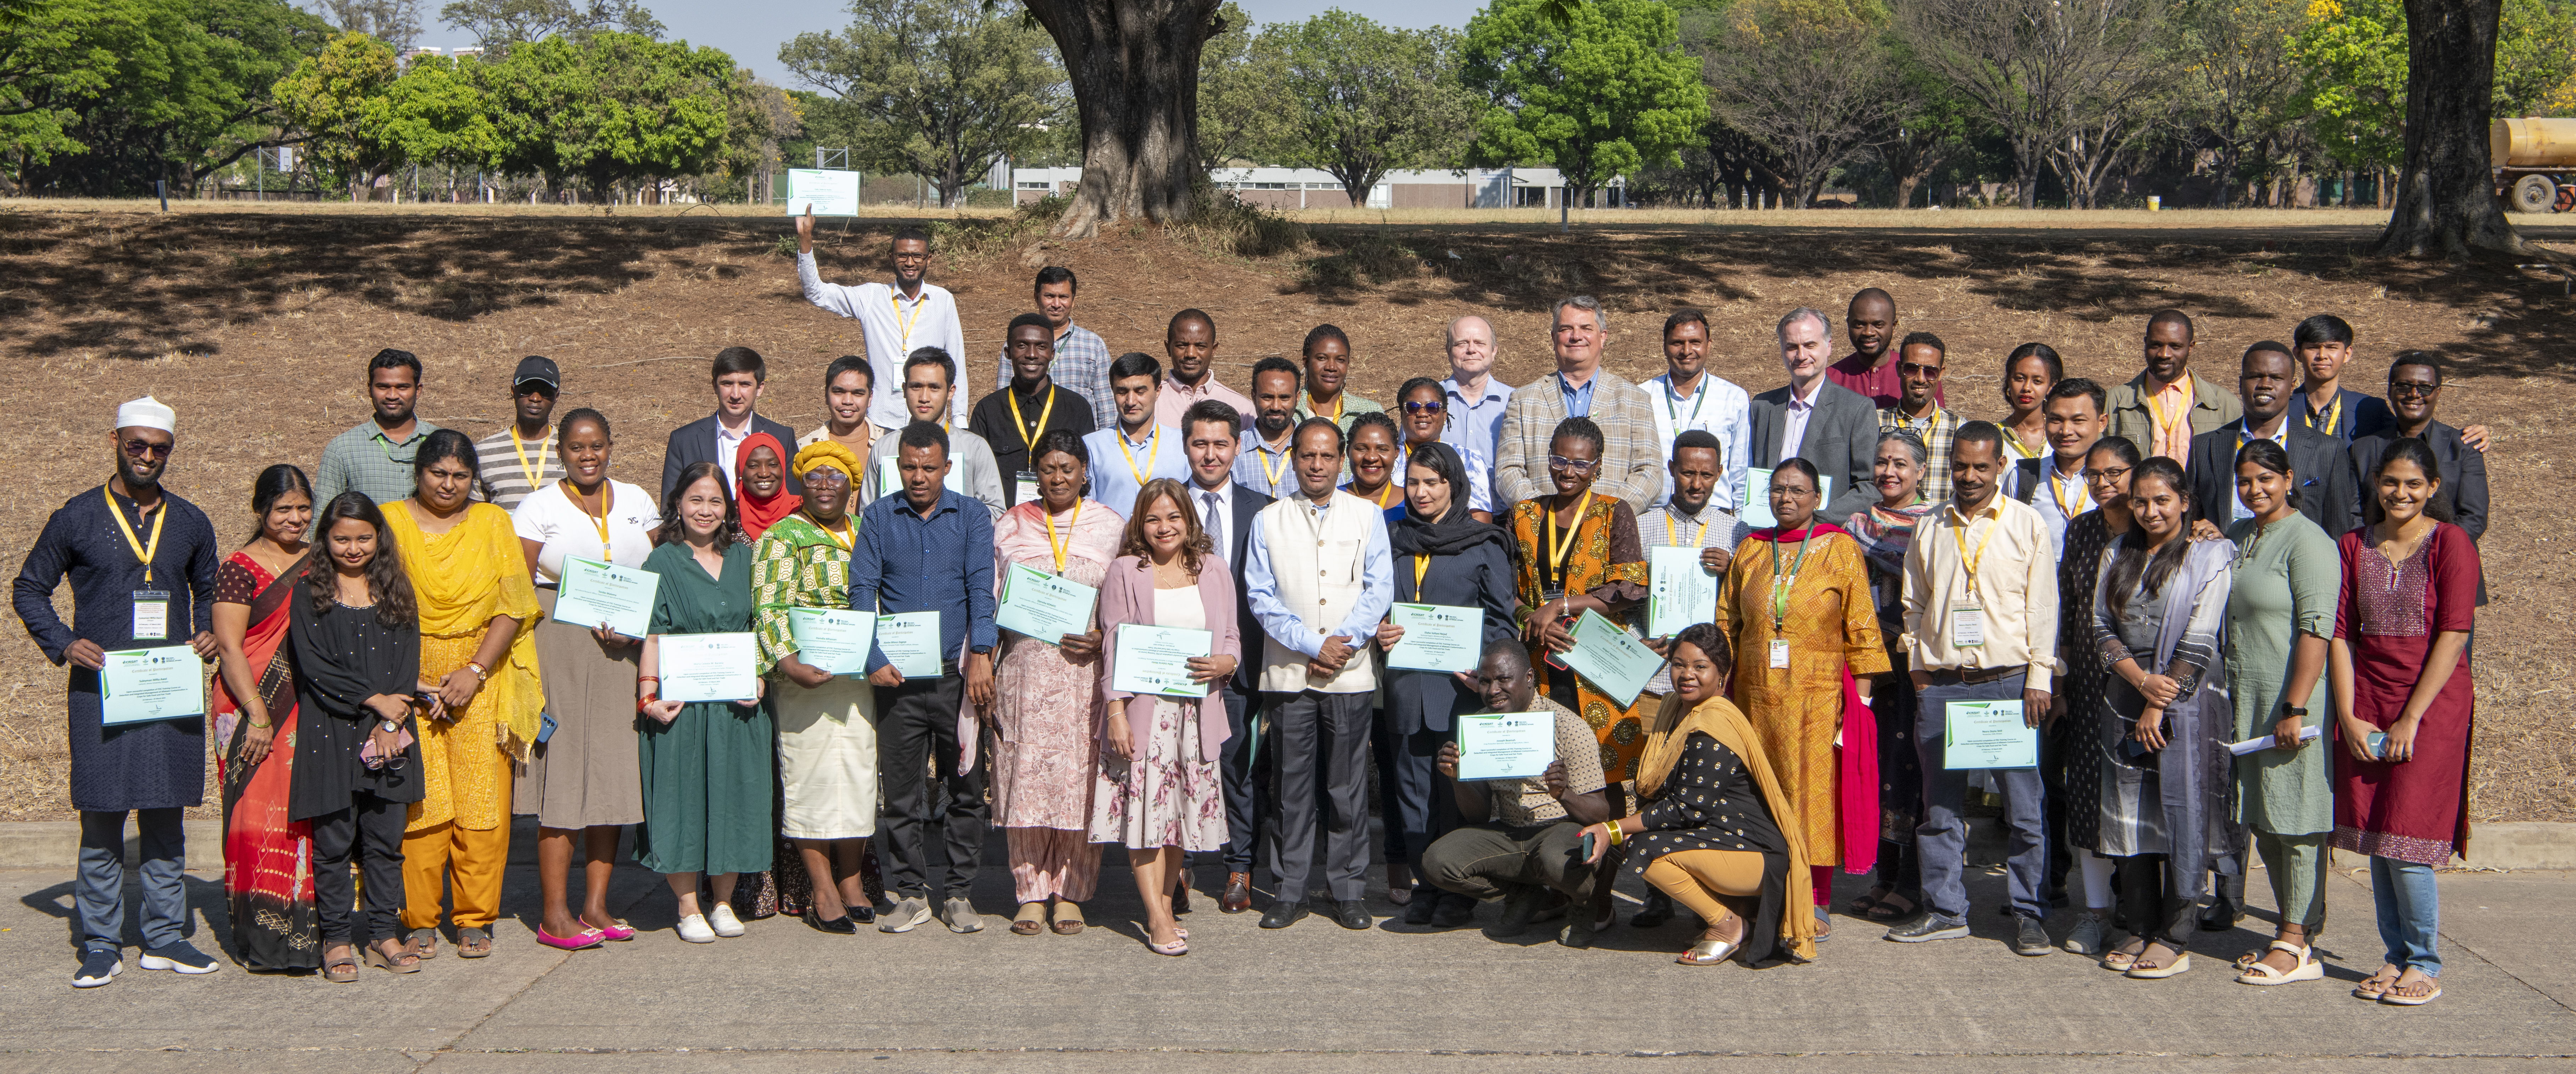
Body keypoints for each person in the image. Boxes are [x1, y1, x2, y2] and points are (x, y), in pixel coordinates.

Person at [15, 396, 223, 988]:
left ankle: (163, 938)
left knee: (165, 816)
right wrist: (63, 642)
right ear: (115, 442)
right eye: (137, 445)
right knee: (103, 817)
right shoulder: (76, 517)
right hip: (101, 689)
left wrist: (206, 629)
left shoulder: (189, 520)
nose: (148, 456)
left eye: (160, 448)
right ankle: (101, 943)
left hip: (169, 689)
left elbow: (208, 586)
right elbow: (30, 588)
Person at [1892, 421, 2057, 953]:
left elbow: (2041, 608)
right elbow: (1913, 603)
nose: (1968, 475)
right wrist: (1919, 670)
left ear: (2000, 467)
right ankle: (1944, 908)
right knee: (1938, 809)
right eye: (1960, 465)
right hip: (1941, 685)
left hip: (2007, 685)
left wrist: (2038, 677)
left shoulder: (2025, 524)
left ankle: (2028, 911)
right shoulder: (1930, 526)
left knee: (2023, 808)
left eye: (1980, 466)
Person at [382, 429, 542, 962]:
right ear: (418, 472)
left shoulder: (492, 522)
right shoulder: (390, 522)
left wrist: (474, 670)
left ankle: (476, 917)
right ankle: (419, 919)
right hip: (412, 683)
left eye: (460, 476)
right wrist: (408, 680)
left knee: (482, 804)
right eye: (438, 473)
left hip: (480, 681)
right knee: (421, 806)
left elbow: (514, 602)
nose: (448, 485)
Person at [2330, 438, 2479, 1007]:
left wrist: (2411, 717)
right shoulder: (2352, 544)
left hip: (2432, 703)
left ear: (2433, 489)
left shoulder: (2449, 541)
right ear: (2375, 484)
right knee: (2376, 834)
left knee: (2408, 836)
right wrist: (2347, 713)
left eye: (2413, 484)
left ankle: (2422, 962)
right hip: (2366, 694)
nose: (2400, 493)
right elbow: (2340, 633)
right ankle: (2393, 957)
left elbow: (2454, 631)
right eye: (2390, 482)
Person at [1576, 623, 1818, 966]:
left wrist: (1612, 828)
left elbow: (1682, 809)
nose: (1687, 675)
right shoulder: (1676, 709)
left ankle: (1727, 925)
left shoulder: (1712, 727)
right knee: (1639, 837)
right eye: (1678, 664)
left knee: (1642, 847)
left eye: (1700, 667)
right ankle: (1728, 912)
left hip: (1756, 854)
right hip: (1722, 835)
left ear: (1723, 673)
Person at [2082, 456, 2239, 979]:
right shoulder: (2115, 550)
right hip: (2124, 694)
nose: (2150, 511)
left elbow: (2199, 636)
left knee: (2181, 813)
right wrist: (2137, 680)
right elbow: (2101, 625)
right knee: (2131, 814)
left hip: (2186, 700)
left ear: (2185, 501)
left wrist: (2158, 699)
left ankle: (2174, 934)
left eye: (2161, 500)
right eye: (2140, 501)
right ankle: (2138, 924)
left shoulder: (2209, 553)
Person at [1720, 458, 1889, 939]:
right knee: (1758, 796)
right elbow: (1725, 624)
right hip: (1754, 698)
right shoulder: (1751, 550)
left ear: (1817, 497)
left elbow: (1861, 627)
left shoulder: (1839, 548)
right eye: (1777, 489)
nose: (1785, 498)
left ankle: (1815, 899)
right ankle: (1759, 892)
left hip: (1818, 702)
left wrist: (1858, 706)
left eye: (1797, 490)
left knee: (1813, 799)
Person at [512, 409, 660, 949]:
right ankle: (554, 913)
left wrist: (637, 630)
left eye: (597, 444)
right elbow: (517, 581)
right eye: (576, 447)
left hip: (623, 649)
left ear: (610, 445)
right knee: (565, 776)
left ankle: (597, 903)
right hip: (562, 646)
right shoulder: (538, 507)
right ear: (561, 452)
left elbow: (661, 565)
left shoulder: (637, 499)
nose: (588, 454)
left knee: (611, 774)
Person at [1243, 418, 1393, 931]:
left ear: (1342, 460)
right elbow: (1261, 597)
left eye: (1327, 456)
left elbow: (1377, 590)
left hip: (1349, 674)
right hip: (1289, 672)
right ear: (1294, 459)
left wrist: (1342, 643)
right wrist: (1312, 643)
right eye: (1307, 455)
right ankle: (1289, 889)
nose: (1316, 464)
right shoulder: (1268, 519)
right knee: (1291, 786)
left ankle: (1348, 889)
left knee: (1346, 786)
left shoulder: (1367, 516)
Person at [854, 422, 1000, 934]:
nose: (919, 476)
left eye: (929, 467)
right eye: (910, 467)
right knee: (901, 793)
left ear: (946, 467)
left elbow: (982, 587)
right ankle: (912, 892)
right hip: (897, 680)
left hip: (955, 679)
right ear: (898, 466)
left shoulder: (972, 515)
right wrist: (871, 656)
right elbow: (861, 592)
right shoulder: (876, 517)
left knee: (964, 787)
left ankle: (959, 891)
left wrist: (981, 652)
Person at [1093, 478, 1244, 954]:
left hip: (1197, 711)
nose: (1164, 526)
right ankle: (1156, 917)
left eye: (1173, 516)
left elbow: (1233, 636)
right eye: (1154, 518)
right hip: (1146, 712)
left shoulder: (1213, 569)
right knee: (1145, 816)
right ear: (1140, 523)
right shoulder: (1124, 570)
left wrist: (1227, 662)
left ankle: (1164, 899)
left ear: (1188, 520)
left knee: (1179, 814)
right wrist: (1115, 711)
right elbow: (1113, 643)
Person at [287, 493, 432, 981]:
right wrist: (375, 701)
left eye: (363, 538)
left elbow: (407, 662)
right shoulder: (309, 592)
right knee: (333, 843)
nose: (353, 548)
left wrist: (392, 722)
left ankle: (382, 933)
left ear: (378, 538)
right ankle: (336, 939)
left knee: (385, 841)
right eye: (342, 538)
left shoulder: (396, 589)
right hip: (329, 731)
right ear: (325, 539)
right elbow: (315, 666)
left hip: (388, 735)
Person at [1379, 440, 1517, 926]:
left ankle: (1458, 890)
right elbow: (1372, 602)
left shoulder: (1483, 543)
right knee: (1412, 797)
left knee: (1457, 795)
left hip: (1460, 692)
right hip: (1405, 689)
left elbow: (1503, 621)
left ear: (1453, 485)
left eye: (1432, 483)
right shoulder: (1391, 538)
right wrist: (1379, 628)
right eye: (1413, 482)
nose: (1420, 492)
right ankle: (1423, 886)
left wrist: (1483, 665)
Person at [987, 431, 1119, 937]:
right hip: (1024, 671)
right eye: (1048, 469)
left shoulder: (1109, 526)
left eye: (1068, 468)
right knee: (1025, 778)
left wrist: (1102, 635)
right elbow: (991, 597)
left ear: (1084, 470)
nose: (1059, 477)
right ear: (1034, 474)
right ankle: (1030, 890)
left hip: (1083, 679)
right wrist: (981, 658)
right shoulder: (1010, 525)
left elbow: (1125, 599)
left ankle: (1071, 891)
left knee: (1077, 782)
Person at [636, 462, 772, 945]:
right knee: (684, 798)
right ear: (677, 503)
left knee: (734, 797)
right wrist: (648, 696)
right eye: (696, 499)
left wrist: (758, 675)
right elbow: (652, 633)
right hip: (683, 704)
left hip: (735, 705)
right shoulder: (662, 560)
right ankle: (687, 904)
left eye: (715, 501)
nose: (705, 510)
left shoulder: (743, 555)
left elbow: (760, 624)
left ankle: (722, 901)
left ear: (727, 508)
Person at [2222, 439, 2338, 985]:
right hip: (2246, 702)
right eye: (2244, 481)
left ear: (2287, 478)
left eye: (2264, 479)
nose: (2254, 489)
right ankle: (2296, 926)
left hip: (2289, 704)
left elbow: (2318, 628)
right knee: (2263, 818)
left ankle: (2295, 943)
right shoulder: (2241, 535)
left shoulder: (2307, 540)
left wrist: (2293, 705)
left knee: (2296, 821)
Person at [750, 440, 879, 933]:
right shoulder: (783, 535)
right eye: (814, 475)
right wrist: (789, 660)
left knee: (858, 778)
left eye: (836, 476)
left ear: (851, 484)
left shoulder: (865, 531)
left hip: (858, 681)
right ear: (800, 483)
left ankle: (850, 880)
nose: (825, 484)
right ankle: (821, 889)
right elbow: (769, 607)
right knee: (812, 779)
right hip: (805, 681)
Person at [1419, 638, 1611, 939]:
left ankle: (1583, 902)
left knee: (1556, 859)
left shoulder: (1568, 726)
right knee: (1437, 861)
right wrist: (1456, 778)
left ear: (1529, 678)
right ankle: (1523, 893)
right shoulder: (1479, 727)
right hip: (1507, 831)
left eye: (1503, 679)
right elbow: (1477, 816)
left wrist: (1564, 794)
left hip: (1558, 830)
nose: (1493, 690)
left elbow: (1601, 812)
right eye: (1484, 681)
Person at [210, 465, 320, 971]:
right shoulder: (240, 566)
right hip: (246, 701)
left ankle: (301, 936)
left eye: (303, 508)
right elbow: (230, 646)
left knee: (302, 816)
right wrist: (256, 712)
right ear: (261, 511)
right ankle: (260, 938)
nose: (295, 518)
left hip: (303, 703)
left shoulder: (320, 561)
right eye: (283, 509)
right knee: (251, 817)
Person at [1508, 416, 1653, 782]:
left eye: (1581, 464)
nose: (1568, 471)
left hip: (1598, 661)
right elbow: (1502, 589)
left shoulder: (1613, 512)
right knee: (1547, 770)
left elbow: (1628, 589)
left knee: (1607, 772)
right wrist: (1531, 616)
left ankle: (1613, 839)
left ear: (1597, 466)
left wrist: (1560, 605)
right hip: (1540, 658)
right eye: (1559, 460)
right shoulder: (1522, 515)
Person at [1178, 400, 1274, 915]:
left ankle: (1240, 864)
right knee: (1183, 763)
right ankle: (1184, 859)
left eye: (1220, 443)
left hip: (1243, 664)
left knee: (1236, 766)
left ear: (1238, 447)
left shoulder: (1262, 506)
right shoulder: (1167, 505)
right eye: (1200, 443)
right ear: (1185, 445)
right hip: (1180, 661)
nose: (1210, 454)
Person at [1839, 431, 1936, 927]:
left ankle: (1911, 883)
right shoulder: (1855, 524)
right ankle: (1884, 872)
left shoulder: (1934, 524)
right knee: (1876, 768)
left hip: (1913, 662)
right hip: (1868, 663)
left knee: (1911, 771)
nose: (1889, 471)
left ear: (1920, 472)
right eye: (1881, 462)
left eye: (1900, 463)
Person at [2056, 435, 2144, 957]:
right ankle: (2092, 913)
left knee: (2134, 801)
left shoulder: (2153, 529)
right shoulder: (2081, 530)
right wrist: (2062, 685)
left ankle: (2137, 913)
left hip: (2141, 688)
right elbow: (2069, 611)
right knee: (2088, 799)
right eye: (2092, 475)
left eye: (2113, 473)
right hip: (2088, 684)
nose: (2102, 483)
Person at [796, 214, 969, 431]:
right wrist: (806, 239)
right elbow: (816, 293)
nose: (910, 263)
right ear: (891, 258)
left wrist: (960, 417)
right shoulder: (872, 297)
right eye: (902, 256)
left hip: (929, 420)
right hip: (881, 420)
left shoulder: (943, 300)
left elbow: (956, 358)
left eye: (918, 256)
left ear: (929, 259)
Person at [1494, 296, 1662, 511]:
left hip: (1609, 532)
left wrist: (1604, 515)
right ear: (1554, 337)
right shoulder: (1524, 400)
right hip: (1541, 532)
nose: (1576, 336)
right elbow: (1508, 472)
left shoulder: (1634, 399)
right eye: (1567, 329)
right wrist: (1542, 515)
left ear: (1602, 338)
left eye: (1586, 328)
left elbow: (1650, 473)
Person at [2350, 352, 2488, 606]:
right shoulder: (2363, 449)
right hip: (2379, 571)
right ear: (2390, 391)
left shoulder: (2463, 447)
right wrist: (2382, 559)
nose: (2414, 394)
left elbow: (2474, 517)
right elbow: (2354, 513)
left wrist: (2428, 555)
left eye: (2424, 387)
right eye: (2403, 386)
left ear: (2438, 392)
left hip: (2447, 570)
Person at [2185, 342, 2361, 536]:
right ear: (2241, 383)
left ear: (2292, 386)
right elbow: (2190, 521)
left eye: (2276, 378)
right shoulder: (2206, 446)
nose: (2265, 385)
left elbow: (2337, 531)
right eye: (2256, 377)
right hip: (2223, 563)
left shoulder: (2327, 449)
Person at [1751, 308, 1879, 519]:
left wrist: (1820, 520)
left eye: (1810, 345)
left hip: (1824, 536)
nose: (1801, 356)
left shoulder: (1857, 409)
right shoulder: (1763, 406)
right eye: (1792, 347)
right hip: (1766, 530)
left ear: (1828, 347)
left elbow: (1868, 486)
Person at [970, 313, 1100, 508]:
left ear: (1052, 354)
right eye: (1022, 346)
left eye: (1041, 346)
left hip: (1062, 523)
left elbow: (1086, 475)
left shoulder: (1077, 408)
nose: (1032, 354)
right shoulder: (987, 411)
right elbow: (976, 479)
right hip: (1004, 524)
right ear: (1008, 352)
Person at [859, 347, 1006, 518]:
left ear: (950, 392)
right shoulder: (884, 447)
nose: (924, 398)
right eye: (916, 387)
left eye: (934, 388)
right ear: (905, 389)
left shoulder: (974, 448)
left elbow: (995, 512)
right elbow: (867, 513)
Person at [1643, 310, 1752, 513]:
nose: (1686, 351)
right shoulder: (1642, 396)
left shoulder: (1734, 398)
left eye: (1695, 342)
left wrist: (1741, 527)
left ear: (1709, 346)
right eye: (1677, 343)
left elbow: (1742, 472)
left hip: (1716, 518)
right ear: (1665, 348)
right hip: (1654, 517)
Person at [2106, 309, 2243, 468]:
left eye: (2175, 346)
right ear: (2145, 343)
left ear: (2191, 347)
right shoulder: (2114, 402)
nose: (2164, 354)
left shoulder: (2225, 405)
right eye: (2156, 345)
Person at [660, 347, 799, 504]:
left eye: (745, 385)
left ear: (760, 389)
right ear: (715, 386)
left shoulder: (781, 437)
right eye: (727, 384)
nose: (735, 395)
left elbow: (793, 502)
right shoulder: (684, 440)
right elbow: (670, 508)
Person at [993, 265, 1113, 429]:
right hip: (1029, 436)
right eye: (1049, 296)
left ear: (1073, 299)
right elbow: (1004, 398)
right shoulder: (1016, 344)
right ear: (1036, 297)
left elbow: (1107, 404)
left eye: (1064, 297)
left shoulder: (1093, 344)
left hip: (1080, 437)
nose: (1057, 304)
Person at [316, 348, 440, 506]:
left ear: (418, 390)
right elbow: (323, 516)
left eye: (402, 387)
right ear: (370, 389)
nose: (392, 395)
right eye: (383, 387)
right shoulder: (343, 448)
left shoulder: (442, 442)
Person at [1083, 352, 1191, 517]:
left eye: (1140, 391)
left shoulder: (1182, 443)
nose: (1131, 401)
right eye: (1122, 392)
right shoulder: (1092, 446)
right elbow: (1086, 507)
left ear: (1158, 391)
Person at [2011, 377, 2108, 552]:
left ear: (2102, 423)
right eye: (2056, 420)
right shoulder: (2024, 477)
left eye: (2078, 421)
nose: (2066, 431)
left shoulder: (2115, 480)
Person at [1392, 376, 1495, 520]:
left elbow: (1480, 518)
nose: (1422, 414)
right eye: (1413, 407)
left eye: (1432, 407)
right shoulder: (1386, 457)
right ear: (1402, 414)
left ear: (1444, 415)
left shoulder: (1468, 459)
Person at [472, 356, 565, 511]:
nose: (535, 398)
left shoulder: (572, 449)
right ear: (513, 392)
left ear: (556, 397)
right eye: (527, 390)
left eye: (545, 392)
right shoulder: (484, 452)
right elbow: (475, 516)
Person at [1877, 332, 1958, 503]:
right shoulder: (1874, 422)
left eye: (1930, 371)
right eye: (1912, 369)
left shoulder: (1959, 429)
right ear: (1899, 369)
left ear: (1941, 373)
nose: (1921, 379)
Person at [2290, 314, 2396, 444]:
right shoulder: (2282, 408)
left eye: (2332, 348)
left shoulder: (2372, 411)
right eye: (2313, 347)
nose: (2322, 355)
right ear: (2298, 354)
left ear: (2347, 354)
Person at [1827, 287, 1934, 411]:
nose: (1869, 333)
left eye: (1878, 325)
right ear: (1849, 324)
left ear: (1894, 326)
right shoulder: (1830, 379)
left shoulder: (1920, 374)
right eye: (1859, 325)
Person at [1440, 315, 1514, 480]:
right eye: (1462, 343)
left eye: (1480, 343)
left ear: (1494, 350)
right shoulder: (1427, 402)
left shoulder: (1516, 402)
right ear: (1448, 350)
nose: (1471, 350)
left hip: (1500, 506)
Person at [1156, 308, 1255, 429]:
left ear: (1213, 350)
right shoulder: (1149, 403)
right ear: (1168, 348)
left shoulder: (1242, 408)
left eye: (1201, 346)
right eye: (1182, 345)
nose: (1191, 354)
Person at [1233, 356, 1304, 500]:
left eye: (1284, 398)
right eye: (1267, 398)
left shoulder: (1315, 448)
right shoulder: (1234, 451)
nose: (1276, 407)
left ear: (1298, 398)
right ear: (1254, 397)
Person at [1292, 324, 1385, 432]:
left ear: (1348, 364)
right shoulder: (1288, 410)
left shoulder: (1370, 412)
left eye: (1340, 360)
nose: (1331, 367)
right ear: (1306, 362)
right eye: (1322, 358)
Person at [799, 355, 891, 458]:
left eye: (858, 393)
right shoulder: (803, 449)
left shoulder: (893, 445)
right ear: (826, 395)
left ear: (870, 398)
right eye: (839, 392)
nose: (848, 401)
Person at [1998, 343, 2061, 463]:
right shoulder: (1994, 436)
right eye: (2020, 378)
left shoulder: (2063, 435)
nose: (2027, 388)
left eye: (2037, 381)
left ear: (2051, 386)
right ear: (2009, 381)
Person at [1341, 411, 1406, 523]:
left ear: (1396, 453)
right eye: (1362, 449)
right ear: (1348, 452)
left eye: (1382, 449)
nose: (1371, 458)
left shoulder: (1414, 504)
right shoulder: (1330, 501)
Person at [733, 433, 798, 542]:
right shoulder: (727, 516)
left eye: (773, 465)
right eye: (753, 466)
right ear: (740, 471)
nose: (764, 474)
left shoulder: (802, 511)